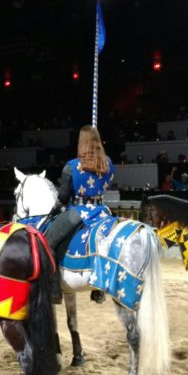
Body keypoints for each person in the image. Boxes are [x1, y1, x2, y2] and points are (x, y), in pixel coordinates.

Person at [42, 125, 115, 302]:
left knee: (47, 242)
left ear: (81, 143)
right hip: (103, 212)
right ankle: (99, 289)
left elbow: (63, 197)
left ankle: (53, 290)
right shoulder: (108, 164)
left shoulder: (71, 166)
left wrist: (55, 208)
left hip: (79, 212)